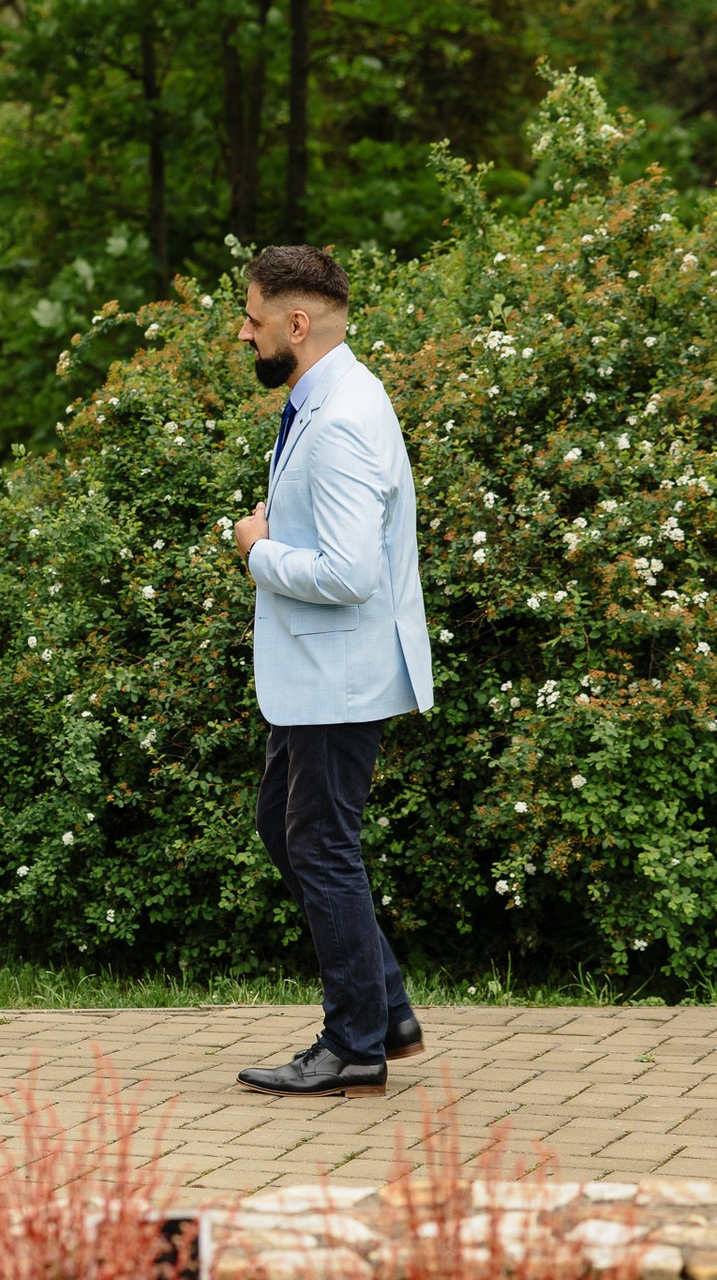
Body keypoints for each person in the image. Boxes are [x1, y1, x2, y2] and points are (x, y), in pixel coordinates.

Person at [231, 246, 435, 1099]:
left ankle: (354, 1045)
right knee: (288, 830)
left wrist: (258, 551)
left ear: (296, 323)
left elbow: (350, 573)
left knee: (318, 844)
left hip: (337, 675)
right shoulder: (331, 395)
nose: (244, 334)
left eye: (253, 319)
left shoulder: (343, 415)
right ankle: (387, 1013)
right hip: (320, 674)